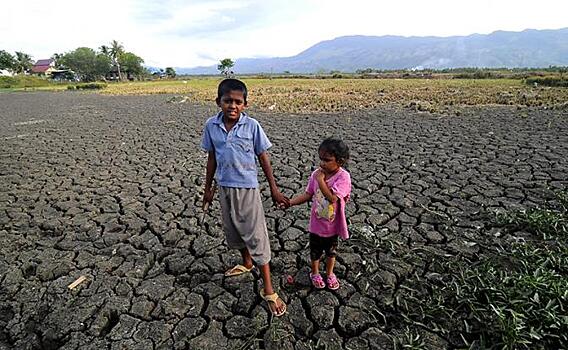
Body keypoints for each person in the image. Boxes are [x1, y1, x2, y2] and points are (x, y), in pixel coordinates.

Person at [201, 78, 289, 316]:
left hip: (247, 189)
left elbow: (263, 157)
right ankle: (247, 262)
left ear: (245, 104)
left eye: (238, 102)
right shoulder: (211, 125)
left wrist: (274, 188)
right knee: (234, 230)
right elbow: (211, 158)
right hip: (224, 187)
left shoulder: (252, 126)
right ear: (218, 101)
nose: (232, 106)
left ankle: (268, 289)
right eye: (227, 100)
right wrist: (208, 189)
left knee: (256, 235)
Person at [285, 137, 351, 290]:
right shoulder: (316, 174)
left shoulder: (343, 177)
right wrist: (290, 202)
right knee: (315, 252)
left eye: (327, 160)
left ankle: (329, 274)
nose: (322, 163)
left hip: (333, 226)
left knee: (331, 252)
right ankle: (315, 273)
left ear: (340, 162)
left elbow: (333, 198)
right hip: (316, 224)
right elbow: (308, 194)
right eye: (320, 159)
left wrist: (321, 181)